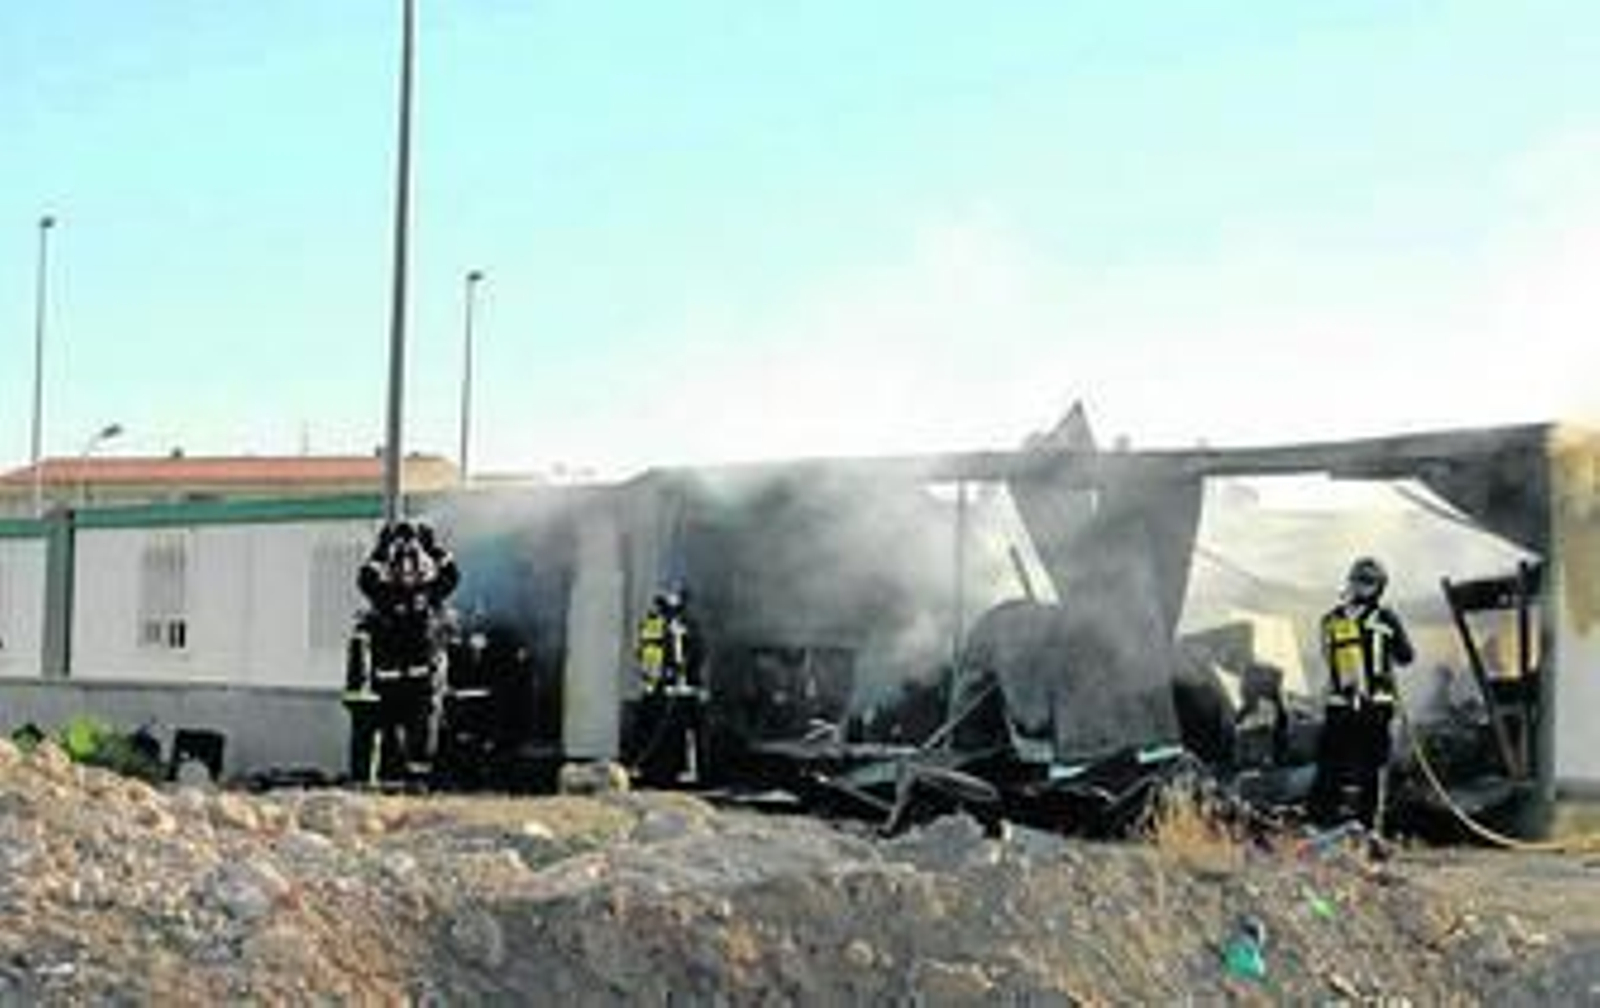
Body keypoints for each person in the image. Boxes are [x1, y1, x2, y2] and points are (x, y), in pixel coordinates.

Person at [346, 519, 460, 785]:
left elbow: (452, 576)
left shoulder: (427, 595)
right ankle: (392, 785)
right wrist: (381, 548)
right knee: (389, 740)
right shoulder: (383, 595)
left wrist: (433, 548)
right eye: (400, 564)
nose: (407, 570)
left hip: (420, 684)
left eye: (412, 564)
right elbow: (365, 578)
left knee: (419, 740)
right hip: (388, 684)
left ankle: (416, 786)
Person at [1309, 556, 1414, 830]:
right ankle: (1367, 829)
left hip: (1341, 705)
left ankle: (1321, 825)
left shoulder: (1330, 620)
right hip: (1374, 707)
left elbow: (1326, 656)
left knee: (1331, 767)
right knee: (1370, 770)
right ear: (1380, 587)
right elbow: (1406, 657)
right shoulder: (1386, 618)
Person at [628, 585, 705, 786]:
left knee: (686, 729)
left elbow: (697, 652)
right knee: (656, 729)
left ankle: (684, 769)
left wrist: (692, 678)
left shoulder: (686, 624)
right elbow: (650, 654)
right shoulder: (655, 624)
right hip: (661, 688)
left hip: (681, 687)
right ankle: (650, 769)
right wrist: (661, 677)